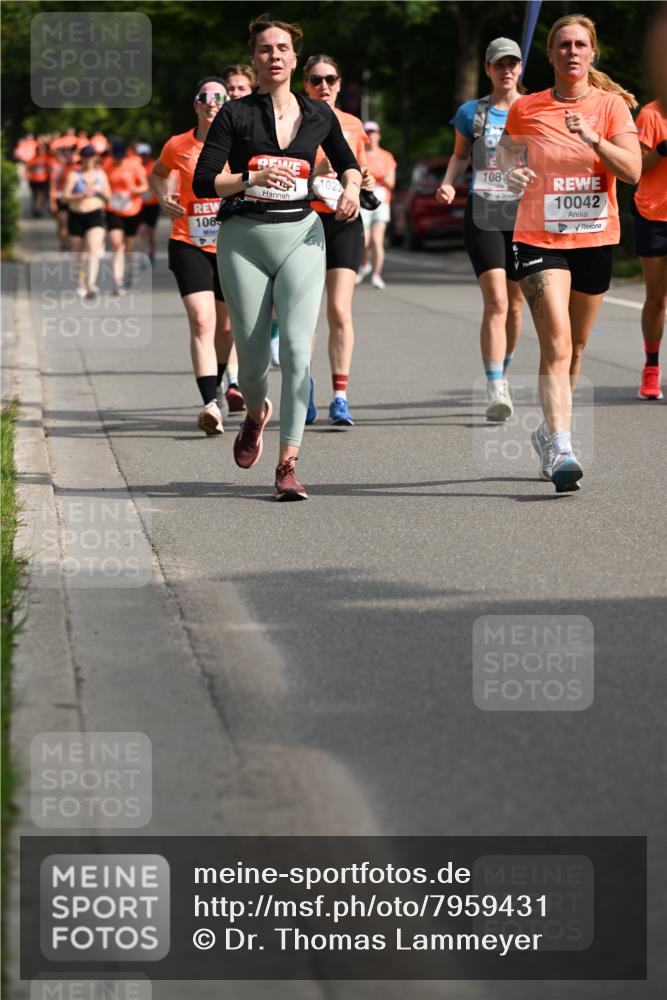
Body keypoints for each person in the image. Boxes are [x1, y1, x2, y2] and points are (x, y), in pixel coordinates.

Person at [193, 15, 361, 500]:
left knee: (294, 350)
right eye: (265, 49)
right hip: (243, 239)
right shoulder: (235, 114)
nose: (274, 56)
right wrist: (251, 179)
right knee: (250, 365)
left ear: (293, 56)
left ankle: (288, 464)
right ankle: (254, 412)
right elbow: (204, 181)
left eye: (282, 48)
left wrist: (348, 189)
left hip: (302, 237)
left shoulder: (319, 115)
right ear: (255, 58)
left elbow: (349, 165)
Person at [498, 13, 640, 492]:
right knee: (556, 341)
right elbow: (503, 157)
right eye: (563, 45)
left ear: (592, 53)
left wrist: (594, 138)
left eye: (581, 44)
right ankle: (561, 441)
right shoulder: (527, 108)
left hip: (595, 238)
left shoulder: (612, 107)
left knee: (576, 345)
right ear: (551, 54)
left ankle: (547, 431)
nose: (572, 52)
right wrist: (511, 174)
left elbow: (633, 172)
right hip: (538, 237)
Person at [437, 38, 525, 422]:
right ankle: (495, 386)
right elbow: (459, 154)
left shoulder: (535, 108)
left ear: (520, 68)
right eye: (499, 65)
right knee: (497, 301)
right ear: (488, 70)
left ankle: (502, 367)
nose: (506, 71)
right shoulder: (472, 113)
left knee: (517, 305)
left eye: (512, 64)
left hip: (525, 213)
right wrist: (448, 182)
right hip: (485, 208)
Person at [151, 78, 236, 435]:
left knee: (227, 326)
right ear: (195, 104)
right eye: (205, 97)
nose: (211, 103)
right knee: (202, 321)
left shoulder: (238, 146)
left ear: (228, 103)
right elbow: (157, 175)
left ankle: (219, 382)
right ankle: (210, 404)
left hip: (232, 243)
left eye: (219, 98)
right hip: (189, 241)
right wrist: (162, 198)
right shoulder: (177, 145)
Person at [303, 54, 370, 426]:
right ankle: (306, 388)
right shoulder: (296, 123)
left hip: (345, 221)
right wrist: (318, 171)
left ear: (340, 83)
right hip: (306, 221)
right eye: (316, 80)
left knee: (340, 310)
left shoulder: (353, 125)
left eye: (330, 79)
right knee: (308, 315)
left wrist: (362, 181)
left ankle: (340, 397)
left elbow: (358, 171)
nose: (323, 86)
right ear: (306, 85)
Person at [632, 97, 666, 400]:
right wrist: (664, 147)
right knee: (657, 298)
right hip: (653, 215)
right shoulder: (650, 114)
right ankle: (651, 367)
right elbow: (637, 167)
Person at [62, 145, 111, 298]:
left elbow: (109, 196)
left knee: (93, 249)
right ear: (81, 158)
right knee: (79, 254)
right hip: (76, 216)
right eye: (86, 157)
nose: (89, 160)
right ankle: (81, 282)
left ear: (95, 158)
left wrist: (98, 190)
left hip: (95, 215)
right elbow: (64, 197)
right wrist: (80, 195)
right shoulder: (74, 175)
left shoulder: (101, 175)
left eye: (92, 157)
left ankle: (91, 284)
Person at [103, 139, 148, 295]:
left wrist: (134, 189)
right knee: (116, 244)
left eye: (120, 156)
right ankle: (117, 280)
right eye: (115, 156)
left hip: (132, 209)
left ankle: (129, 268)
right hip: (113, 209)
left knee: (128, 246)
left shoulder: (134, 165)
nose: (118, 159)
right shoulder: (106, 164)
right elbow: (102, 184)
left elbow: (145, 186)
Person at [356, 121, 396, 289]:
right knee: (365, 241)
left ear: (378, 135)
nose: (371, 136)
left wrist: (379, 176)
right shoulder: (359, 155)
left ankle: (376, 275)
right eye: (368, 133)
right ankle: (365, 264)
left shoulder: (387, 157)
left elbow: (391, 183)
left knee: (377, 241)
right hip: (363, 202)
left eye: (373, 132)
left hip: (381, 203)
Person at [134, 143, 161, 268]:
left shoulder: (154, 165)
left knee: (152, 231)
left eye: (145, 154)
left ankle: (152, 252)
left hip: (153, 203)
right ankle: (141, 256)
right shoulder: (135, 166)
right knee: (141, 231)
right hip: (139, 203)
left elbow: (158, 181)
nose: (143, 157)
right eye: (141, 154)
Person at [26, 139, 50, 217]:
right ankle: (37, 209)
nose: (41, 151)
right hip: (34, 180)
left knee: (41, 195)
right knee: (36, 195)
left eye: (42, 149)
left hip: (44, 180)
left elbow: (50, 168)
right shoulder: (33, 159)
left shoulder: (47, 158)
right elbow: (28, 167)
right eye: (40, 149)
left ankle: (38, 209)